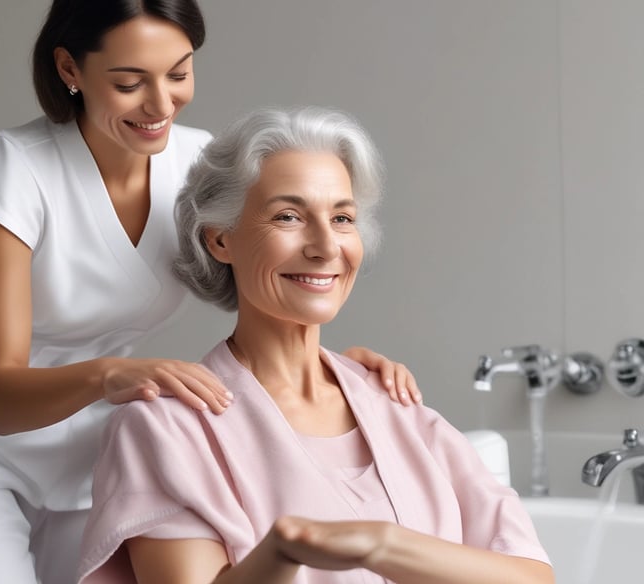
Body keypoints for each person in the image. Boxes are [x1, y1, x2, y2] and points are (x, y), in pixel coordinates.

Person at [0, 3, 421, 584]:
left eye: (179, 73)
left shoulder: (196, 162)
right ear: (70, 68)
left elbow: (269, 281)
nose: (161, 104)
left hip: (94, 444)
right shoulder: (19, 169)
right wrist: (110, 375)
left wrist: (337, 372)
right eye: (129, 82)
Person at [77, 106, 555, 584]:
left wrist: (382, 545)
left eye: (343, 218)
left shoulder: (393, 400)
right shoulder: (165, 430)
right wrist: (281, 553)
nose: (326, 246)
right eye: (289, 216)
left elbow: (533, 577)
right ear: (220, 240)